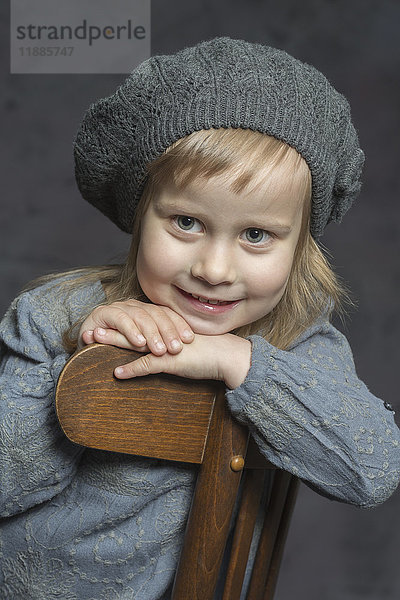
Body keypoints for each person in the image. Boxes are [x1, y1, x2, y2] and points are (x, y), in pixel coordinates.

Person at [1, 37, 399, 599]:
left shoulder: (297, 349)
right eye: (186, 223)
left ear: (300, 247)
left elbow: (373, 470)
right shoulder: (59, 315)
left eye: (256, 235)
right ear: (141, 216)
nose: (214, 269)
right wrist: (79, 363)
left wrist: (241, 361)